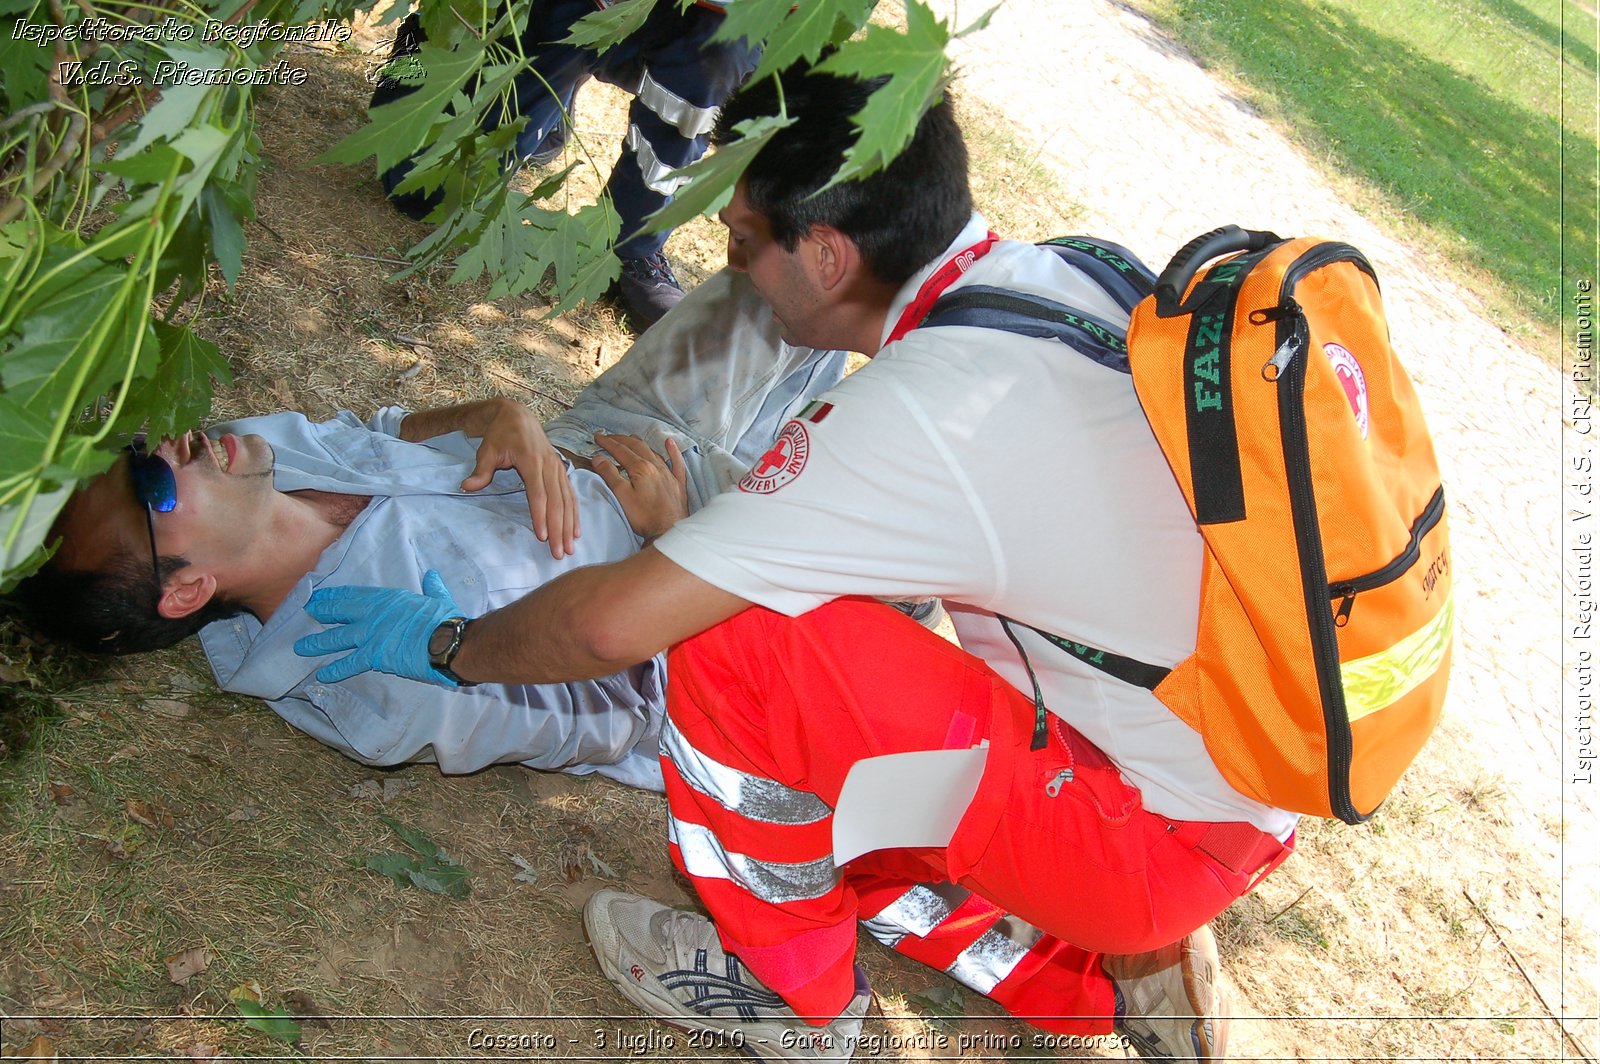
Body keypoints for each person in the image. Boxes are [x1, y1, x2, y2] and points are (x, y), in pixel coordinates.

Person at [289, 66, 1299, 1062]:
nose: (731, 268)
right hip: (1229, 766)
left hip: (1135, 823)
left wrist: (448, 642)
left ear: (823, 255)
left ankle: (791, 997)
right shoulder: (1066, 274)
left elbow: (611, 626)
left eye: (741, 240)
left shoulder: (913, 418)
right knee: (845, 721)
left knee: (735, 639)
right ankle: (1084, 968)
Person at [17, 280, 848, 791]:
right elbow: (617, 715)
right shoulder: (378, 678)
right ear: (188, 588)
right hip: (715, 591)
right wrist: (675, 549)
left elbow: (380, 426)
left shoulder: (250, 455)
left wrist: (498, 415)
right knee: (890, 532)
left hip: (610, 442)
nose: (168, 446)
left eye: (135, 454)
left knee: (789, 265)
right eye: (152, 486)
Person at [374, 0, 761, 329]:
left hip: (689, 19)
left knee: (726, 47)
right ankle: (445, 44)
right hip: (552, 8)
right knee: (420, 192)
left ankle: (632, 240)